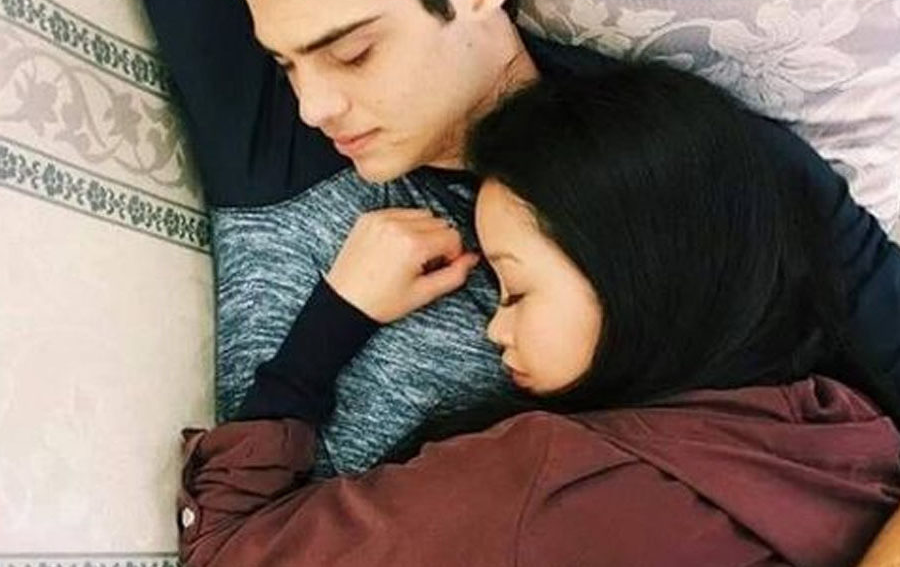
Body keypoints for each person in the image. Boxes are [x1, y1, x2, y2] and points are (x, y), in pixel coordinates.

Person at [104, 0, 900, 480]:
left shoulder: (690, 162)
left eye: (353, 53)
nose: (314, 106)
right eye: (286, 63)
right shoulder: (274, 129)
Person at [178, 67, 900, 566]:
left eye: (516, 291)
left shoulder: (550, 487)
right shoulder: (845, 430)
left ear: (635, 273)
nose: (494, 329)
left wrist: (332, 322)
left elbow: (229, 550)